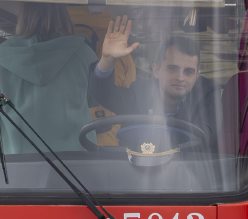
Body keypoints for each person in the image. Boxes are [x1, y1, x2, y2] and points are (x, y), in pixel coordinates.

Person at [0, 3, 97, 175]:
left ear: (23, 18)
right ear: (64, 16)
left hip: (13, 182)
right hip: (76, 180)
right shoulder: (83, 56)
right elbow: (96, 99)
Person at [87, 16, 223, 149]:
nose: (180, 77)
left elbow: (205, 135)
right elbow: (103, 93)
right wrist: (107, 59)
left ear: (197, 76)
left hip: (187, 169)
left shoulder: (208, 93)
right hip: (138, 169)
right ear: (156, 70)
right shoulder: (140, 91)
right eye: (172, 68)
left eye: (189, 72)